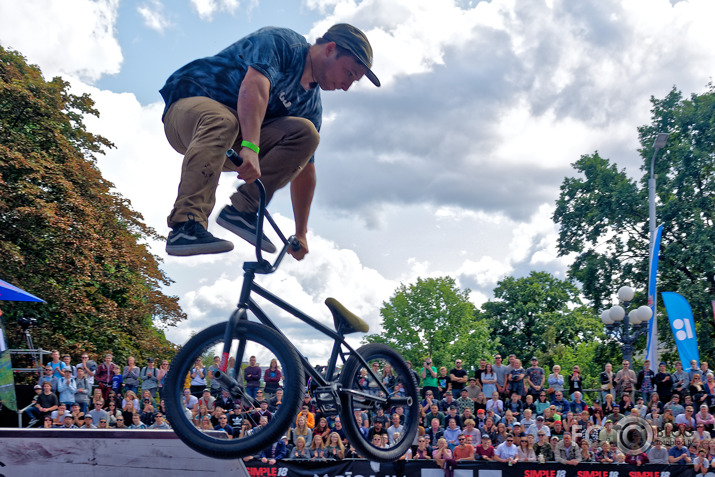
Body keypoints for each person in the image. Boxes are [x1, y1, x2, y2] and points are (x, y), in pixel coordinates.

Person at [160, 22, 379, 258]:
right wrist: (251, 147)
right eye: (349, 73)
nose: (346, 87)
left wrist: (301, 232)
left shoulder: (310, 105)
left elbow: (305, 171)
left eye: (353, 82)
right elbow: (254, 86)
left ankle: (243, 210)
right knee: (224, 120)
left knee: (307, 134)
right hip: (189, 114)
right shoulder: (284, 43)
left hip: (231, 144)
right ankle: (185, 225)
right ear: (330, 49)